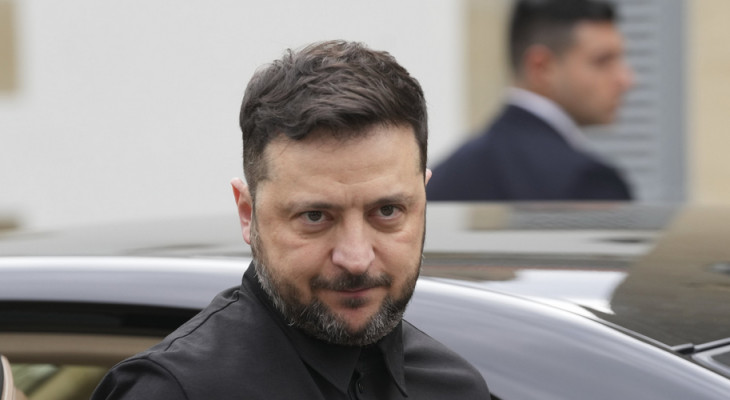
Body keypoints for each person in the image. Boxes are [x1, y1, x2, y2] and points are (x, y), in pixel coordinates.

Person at [91, 40, 490, 399]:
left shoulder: (455, 388)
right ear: (248, 214)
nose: (356, 259)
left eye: (387, 212)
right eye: (315, 216)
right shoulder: (172, 391)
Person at [427, 0, 635, 201]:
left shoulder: (444, 176)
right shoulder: (588, 183)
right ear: (541, 68)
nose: (626, 79)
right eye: (602, 61)